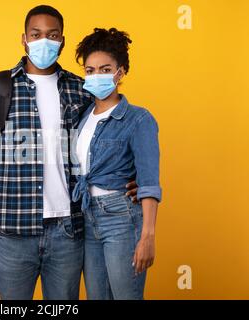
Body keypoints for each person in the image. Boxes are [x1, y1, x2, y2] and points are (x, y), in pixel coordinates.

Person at [0, 6, 138, 300]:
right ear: (24, 39)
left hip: (68, 231)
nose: (44, 41)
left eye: (52, 35)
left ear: (62, 42)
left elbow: (109, 135)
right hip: (15, 230)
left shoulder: (80, 90)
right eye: (37, 34)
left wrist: (130, 181)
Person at [72, 28, 161, 300]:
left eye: (105, 69)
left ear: (120, 72)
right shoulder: (83, 116)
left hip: (122, 221)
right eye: (90, 70)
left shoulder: (138, 119)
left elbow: (148, 182)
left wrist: (147, 236)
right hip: (88, 218)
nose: (96, 75)